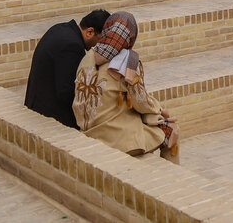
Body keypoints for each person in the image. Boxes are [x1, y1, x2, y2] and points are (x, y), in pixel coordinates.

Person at [72, 12, 179, 162]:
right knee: (171, 130)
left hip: (89, 130)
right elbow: (141, 102)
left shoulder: (87, 57)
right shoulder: (127, 61)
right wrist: (160, 110)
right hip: (115, 135)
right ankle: (172, 179)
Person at [25, 9, 111, 127]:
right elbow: (67, 92)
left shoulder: (61, 28)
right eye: (100, 40)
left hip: (36, 101)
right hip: (48, 115)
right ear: (90, 32)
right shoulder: (72, 46)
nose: (99, 46)